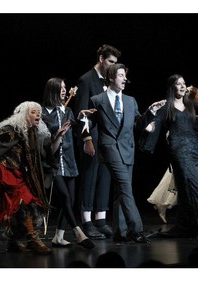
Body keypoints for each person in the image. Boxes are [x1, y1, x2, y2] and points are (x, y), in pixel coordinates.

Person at [140, 75, 198, 239]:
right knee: (189, 185)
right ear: (172, 87)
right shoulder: (166, 107)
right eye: (178, 84)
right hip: (178, 149)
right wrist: (149, 126)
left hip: (194, 148)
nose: (182, 87)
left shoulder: (192, 104)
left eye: (184, 84)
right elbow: (155, 123)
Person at [80, 63, 163, 243]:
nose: (125, 79)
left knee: (120, 191)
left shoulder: (130, 100)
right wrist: (83, 124)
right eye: (120, 75)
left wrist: (151, 112)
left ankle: (120, 232)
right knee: (125, 187)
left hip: (127, 150)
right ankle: (137, 230)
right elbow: (88, 124)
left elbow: (138, 124)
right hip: (109, 148)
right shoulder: (98, 100)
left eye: (125, 76)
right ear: (111, 77)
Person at [0, 101, 58, 255]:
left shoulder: (32, 132)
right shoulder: (11, 129)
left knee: (15, 208)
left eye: (38, 112)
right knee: (24, 203)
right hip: (5, 172)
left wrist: (59, 136)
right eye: (33, 112)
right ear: (24, 115)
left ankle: (13, 242)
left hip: (18, 173)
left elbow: (41, 153)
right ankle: (32, 240)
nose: (38, 115)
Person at [146, 86, 198, 224]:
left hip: (195, 147)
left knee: (194, 178)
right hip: (185, 148)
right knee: (181, 178)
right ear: (192, 97)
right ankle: (169, 204)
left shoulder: (196, 109)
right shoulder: (184, 110)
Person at [74, 44, 122, 239]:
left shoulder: (108, 82)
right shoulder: (86, 80)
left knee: (105, 177)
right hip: (92, 137)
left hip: (106, 139)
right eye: (110, 62)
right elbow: (81, 113)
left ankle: (101, 219)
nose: (112, 66)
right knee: (89, 177)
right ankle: (87, 221)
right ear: (101, 58)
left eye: (115, 63)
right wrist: (86, 139)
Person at [41, 77, 95, 249]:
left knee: (69, 200)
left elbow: (78, 128)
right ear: (52, 90)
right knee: (64, 197)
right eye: (60, 88)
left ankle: (59, 236)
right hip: (53, 163)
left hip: (69, 160)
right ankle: (78, 232)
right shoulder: (43, 113)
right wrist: (57, 133)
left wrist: (81, 118)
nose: (64, 90)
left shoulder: (68, 111)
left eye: (65, 87)